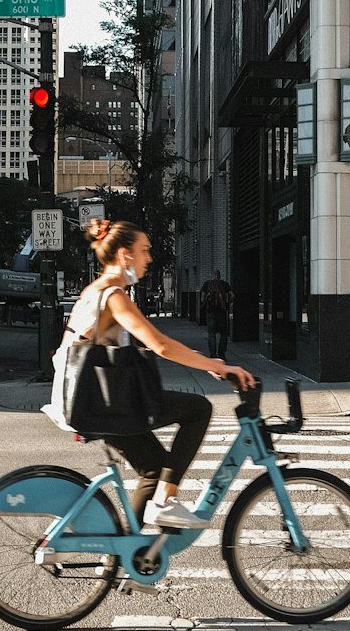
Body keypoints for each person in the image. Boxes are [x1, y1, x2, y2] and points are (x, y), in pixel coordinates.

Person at [43, 219, 255, 529]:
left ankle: (125, 558)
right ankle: (164, 501)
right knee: (199, 409)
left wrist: (205, 360)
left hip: (93, 400)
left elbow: (154, 342)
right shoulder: (114, 296)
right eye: (145, 251)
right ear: (125, 255)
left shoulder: (96, 290)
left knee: (155, 469)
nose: (150, 258)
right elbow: (160, 345)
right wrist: (219, 365)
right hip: (102, 403)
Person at [200, 269, 233, 358]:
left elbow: (202, 298)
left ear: (212, 275)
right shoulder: (224, 284)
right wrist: (227, 303)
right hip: (222, 312)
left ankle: (213, 354)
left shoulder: (207, 284)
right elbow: (232, 296)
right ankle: (222, 354)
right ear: (219, 276)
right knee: (223, 334)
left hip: (210, 312)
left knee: (211, 333)